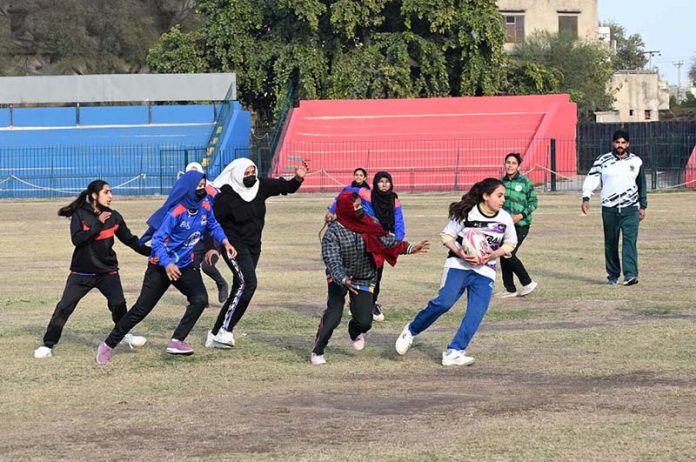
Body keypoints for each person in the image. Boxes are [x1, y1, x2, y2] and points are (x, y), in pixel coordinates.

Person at [95, 171, 236, 365]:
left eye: (204, 185)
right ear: (189, 188)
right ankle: (108, 345)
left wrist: (225, 242)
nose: (203, 189)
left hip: (185, 266)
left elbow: (213, 225)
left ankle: (177, 341)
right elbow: (158, 241)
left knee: (200, 299)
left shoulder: (205, 206)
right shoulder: (176, 212)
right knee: (140, 310)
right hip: (160, 267)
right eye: (199, 186)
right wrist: (167, 263)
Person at [395, 178, 517, 367]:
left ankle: (455, 351)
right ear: (486, 196)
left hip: (485, 269)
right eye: (499, 196)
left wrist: (494, 253)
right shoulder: (468, 213)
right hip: (458, 265)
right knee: (444, 303)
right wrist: (461, 251)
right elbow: (447, 235)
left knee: (476, 312)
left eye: (504, 196)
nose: (503, 200)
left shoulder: (505, 218)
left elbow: (510, 243)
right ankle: (411, 330)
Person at [33, 180, 151, 359]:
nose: (111, 196)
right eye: (106, 192)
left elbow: (131, 240)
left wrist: (152, 253)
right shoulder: (80, 214)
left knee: (118, 305)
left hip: (107, 272)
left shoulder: (114, 217)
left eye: (111, 192)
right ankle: (48, 345)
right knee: (64, 307)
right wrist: (97, 223)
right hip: (82, 272)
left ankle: (125, 335)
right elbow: (77, 239)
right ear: (94, 196)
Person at [311, 190, 429, 365]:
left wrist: (410, 248)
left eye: (360, 205)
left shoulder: (370, 223)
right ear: (345, 209)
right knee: (333, 316)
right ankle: (317, 351)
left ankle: (354, 330)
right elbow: (332, 260)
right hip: (340, 278)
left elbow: (387, 241)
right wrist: (342, 279)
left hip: (363, 277)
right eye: (355, 207)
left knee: (365, 321)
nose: (360, 210)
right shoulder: (333, 233)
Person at [206, 157, 308, 349]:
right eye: (247, 173)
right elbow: (212, 224)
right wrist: (212, 247)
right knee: (249, 283)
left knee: (240, 288)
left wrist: (298, 178)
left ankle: (214, 334)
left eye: (253, 172)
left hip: (254, 246)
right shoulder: (226, 196)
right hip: (233, 245)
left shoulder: (260, 186)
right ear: (237, 175)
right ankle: (225, 331)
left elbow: (285, 187)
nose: (251, 176)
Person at [325, 171, 405, 322]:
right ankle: (355, 304)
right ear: (375, 183)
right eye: (381, 181)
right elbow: (346, 191)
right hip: (363, 238)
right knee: (359, 272)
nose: (384, 184)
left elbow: (399, 222)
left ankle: (370, 304)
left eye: (386, 181)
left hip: (381, 241)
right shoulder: (365, 193)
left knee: (377, 276)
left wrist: (397, 243)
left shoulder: (394, 200)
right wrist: (332, 210)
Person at [582, 129, 647, 286]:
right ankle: (613, 274)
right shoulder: (602, 160)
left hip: (630, 208)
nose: (620, 145)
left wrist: (643, 205)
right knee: (611, 242)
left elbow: (641, 184)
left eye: (623, 142)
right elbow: (592, 179)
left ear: (628, 144)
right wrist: (586, 197)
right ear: (613, 143)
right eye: (617, 142)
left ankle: (631, 274)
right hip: (609, 208)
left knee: (629, 241)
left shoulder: (636, 161)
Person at [184, 162, 229, 304]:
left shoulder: (211, 190)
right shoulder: (185, 192)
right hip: (196, 236)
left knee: (208, 266)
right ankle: (200, 298)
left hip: (213, 235)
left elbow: (224, 208)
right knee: (192, 267)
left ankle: (222, 284)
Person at [499, 153, 538, 297]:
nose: (510, 165)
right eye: (508, 162)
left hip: (521, 224)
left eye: (513, 163)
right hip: (505, 226)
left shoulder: (525, 182)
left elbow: (534, 203)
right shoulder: (500, 183)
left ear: (518, 166)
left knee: (508, 253)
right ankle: (510, 289)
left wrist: (520, 216)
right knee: (503, 254)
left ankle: (527, 282)